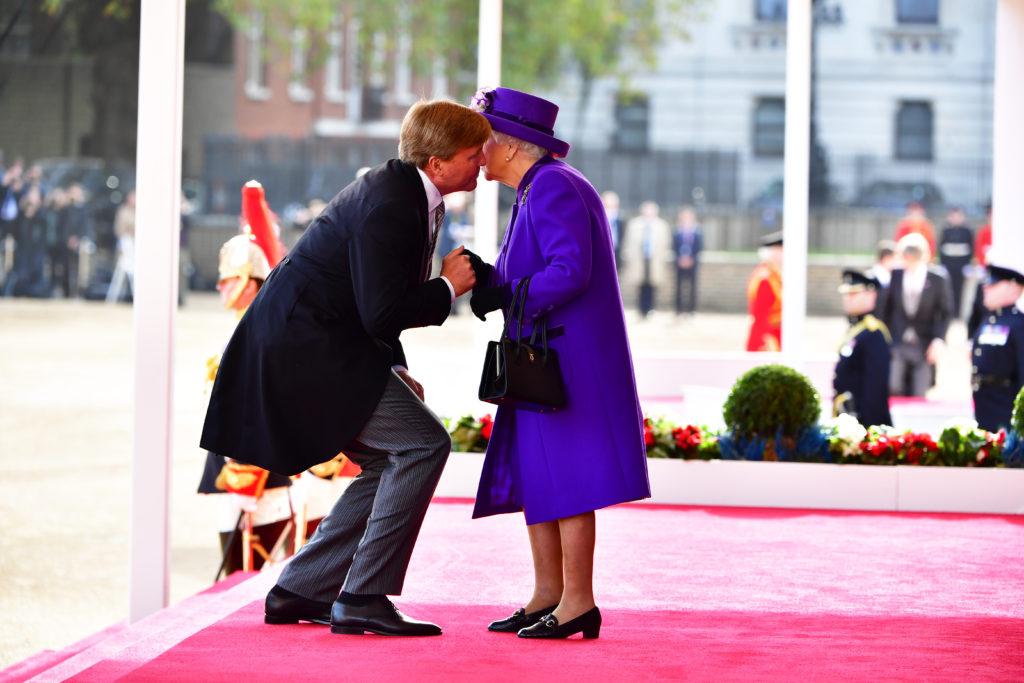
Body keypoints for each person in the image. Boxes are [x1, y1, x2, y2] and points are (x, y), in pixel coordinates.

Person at [200, 99, 489, 637]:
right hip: (306, 354)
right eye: (473, 155)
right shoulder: (392, 203)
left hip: (318, 347)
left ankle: (300, 589)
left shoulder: (408, 193)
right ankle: (362, 597)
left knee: (389, 457)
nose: (482, 164)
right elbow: (382, 308)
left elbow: (372, 298)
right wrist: (449, 287)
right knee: (425, 444)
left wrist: (395, 365)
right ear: (436, 162)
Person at [465, 86, 650, 640]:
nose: (477, 152)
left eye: (483, 141)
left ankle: (577, 601)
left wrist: (508, 292)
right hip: (548, 355)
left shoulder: (550, 188)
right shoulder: (538, 187)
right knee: (541, 476)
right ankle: (549, 594)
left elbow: (570, 272)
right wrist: (489, 278)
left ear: (513, 145)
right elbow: (540, 267)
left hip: (564, 359)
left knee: (567, 479)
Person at [198, 232, 294, 575]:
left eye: (228, 280)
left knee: (245, 580)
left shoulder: (259, 332)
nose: (221, 288)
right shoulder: (246, 328)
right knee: (236, 574)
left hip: (253, 473)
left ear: (248, 284)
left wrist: (247, 472)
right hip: (234, 467)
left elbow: (261, 404)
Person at [876, 233, 953, 397]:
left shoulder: (937, 278)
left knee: (919, 391)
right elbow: (885, 309)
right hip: (898, 341)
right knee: (893, 386)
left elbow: (946, 312)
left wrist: (939, 340)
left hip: (924, 343)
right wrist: (883, 337)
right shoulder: (896, 275)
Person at [833, 270, 893, 427]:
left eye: (854, 295)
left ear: (871, 295)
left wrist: (869, 430)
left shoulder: (873, 333)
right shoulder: (858, 330)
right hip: (848, 418)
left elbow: (875, 390)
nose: (847, 299)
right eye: (846, 295)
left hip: (863, 422)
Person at [970, 263, 1024, 432]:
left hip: (1006, 409)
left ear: (1014, 288)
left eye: (993, 285)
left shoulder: (1018, 324)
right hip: (984, 405)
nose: (986, 288)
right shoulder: (988, 319)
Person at [624, 200, 672, 318]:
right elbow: (628, 243)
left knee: (652, 284)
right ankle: (641, 309)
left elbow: (666, 243)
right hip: (639, 259)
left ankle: (650, 308)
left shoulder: (661, 225)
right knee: (640, 284)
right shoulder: (634, 224)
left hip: (654, 260)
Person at [746, 231, 783, 352]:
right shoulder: (765, 279)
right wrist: (763, 342)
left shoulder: (776, 274)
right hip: (767, 338)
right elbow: (760, 316)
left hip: (778, 333)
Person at [937, 205, 973, 318]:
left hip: (961, 265)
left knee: (959, 290)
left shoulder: (967, 231)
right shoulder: (945, 230)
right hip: (948, 265)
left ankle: (957, 314)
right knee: (947, 290)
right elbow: (941, 248)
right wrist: (941, 264)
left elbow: (971, 248)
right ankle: (948, 313)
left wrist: (968, 265)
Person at [672, 205, 703, 316]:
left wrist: (691, 259)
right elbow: (674, 247)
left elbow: (699, 248)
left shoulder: (698, 232)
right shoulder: (677, 232)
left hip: (692, 263)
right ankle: (678, 309)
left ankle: (691, 309)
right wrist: (680, 259)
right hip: (679, 263)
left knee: (692, 287)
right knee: (678, 287)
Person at [106, 189, 136, 303]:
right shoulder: (123, 211)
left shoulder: (141, 211)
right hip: (126, 246)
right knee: (122, 273)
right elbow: (120, 229)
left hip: (136, 246)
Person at [600, 190, 625, 270]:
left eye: (613, 206)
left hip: (616, 253)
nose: (611, 209)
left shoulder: (621, 221)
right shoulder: (597, 220)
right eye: (608, 206)